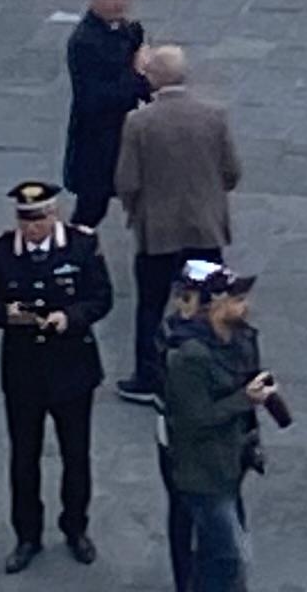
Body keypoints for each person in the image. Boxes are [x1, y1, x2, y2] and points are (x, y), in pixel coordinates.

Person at [0, 179, 111, 570]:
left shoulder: (82, 246)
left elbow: (101, 298)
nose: (32, 226)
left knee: (76, 456)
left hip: (72, 369)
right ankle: (26, 535)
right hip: (23, 372)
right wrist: (8, 315)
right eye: (25, 218)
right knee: (23, 459)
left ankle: (75, 528)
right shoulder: (1, 251)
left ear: (54, 214)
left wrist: (69, 317)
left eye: (38, 218)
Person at [110, 44, 239, 404]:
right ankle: (217, 364)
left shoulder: (139, 122)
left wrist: (136, 211)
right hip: (204, 229)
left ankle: (149, 377)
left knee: (151, 304)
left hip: (159, 232)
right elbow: (231, 171)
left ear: (152, 78)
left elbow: (127, 181)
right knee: (210, 300)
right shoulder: (213, 116)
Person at [152, 262, 282, 592]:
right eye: (235, 299)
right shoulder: (188, 355)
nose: (244, 306)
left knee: (220, 549)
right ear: (211, 305)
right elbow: (192, 418)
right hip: (201, 468)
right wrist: (245, 398)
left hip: (229, 457)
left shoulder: (237, 337)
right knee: (229, 554)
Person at [63, 0, 147, 231]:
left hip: (128, 133)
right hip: (97, 140)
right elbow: (95, 97)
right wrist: (140, 78)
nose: (120, 3)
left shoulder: (129, 30)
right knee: (91, 208)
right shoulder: (85, 42)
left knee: (149, 200)